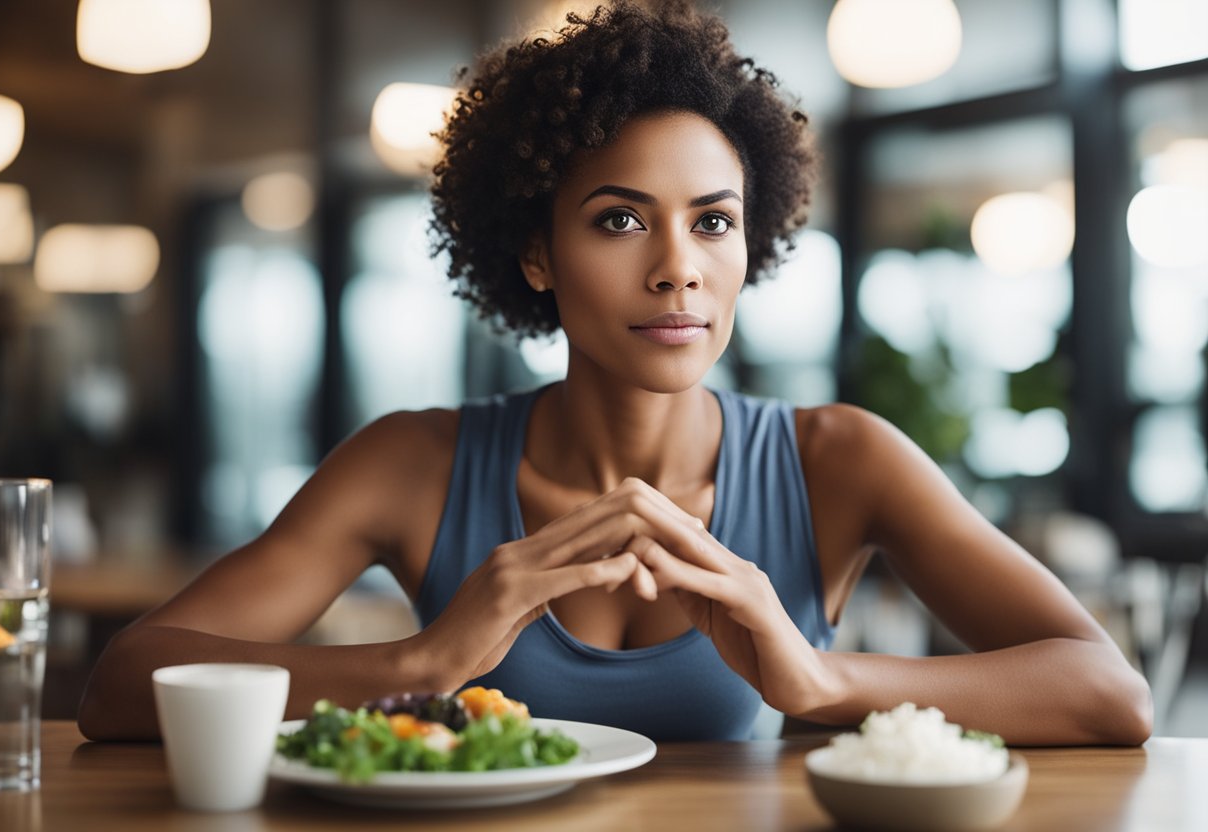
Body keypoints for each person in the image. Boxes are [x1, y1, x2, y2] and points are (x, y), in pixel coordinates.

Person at [77, 0, 1152, 745]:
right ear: (535, 253)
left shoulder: (840, 459)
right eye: (619, 219)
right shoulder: (414, 460)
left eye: (713, 221)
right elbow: (124, 683)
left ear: (752, 242)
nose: (677, 267)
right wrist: (419, 661)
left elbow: (1108, 690)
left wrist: (817, 676)